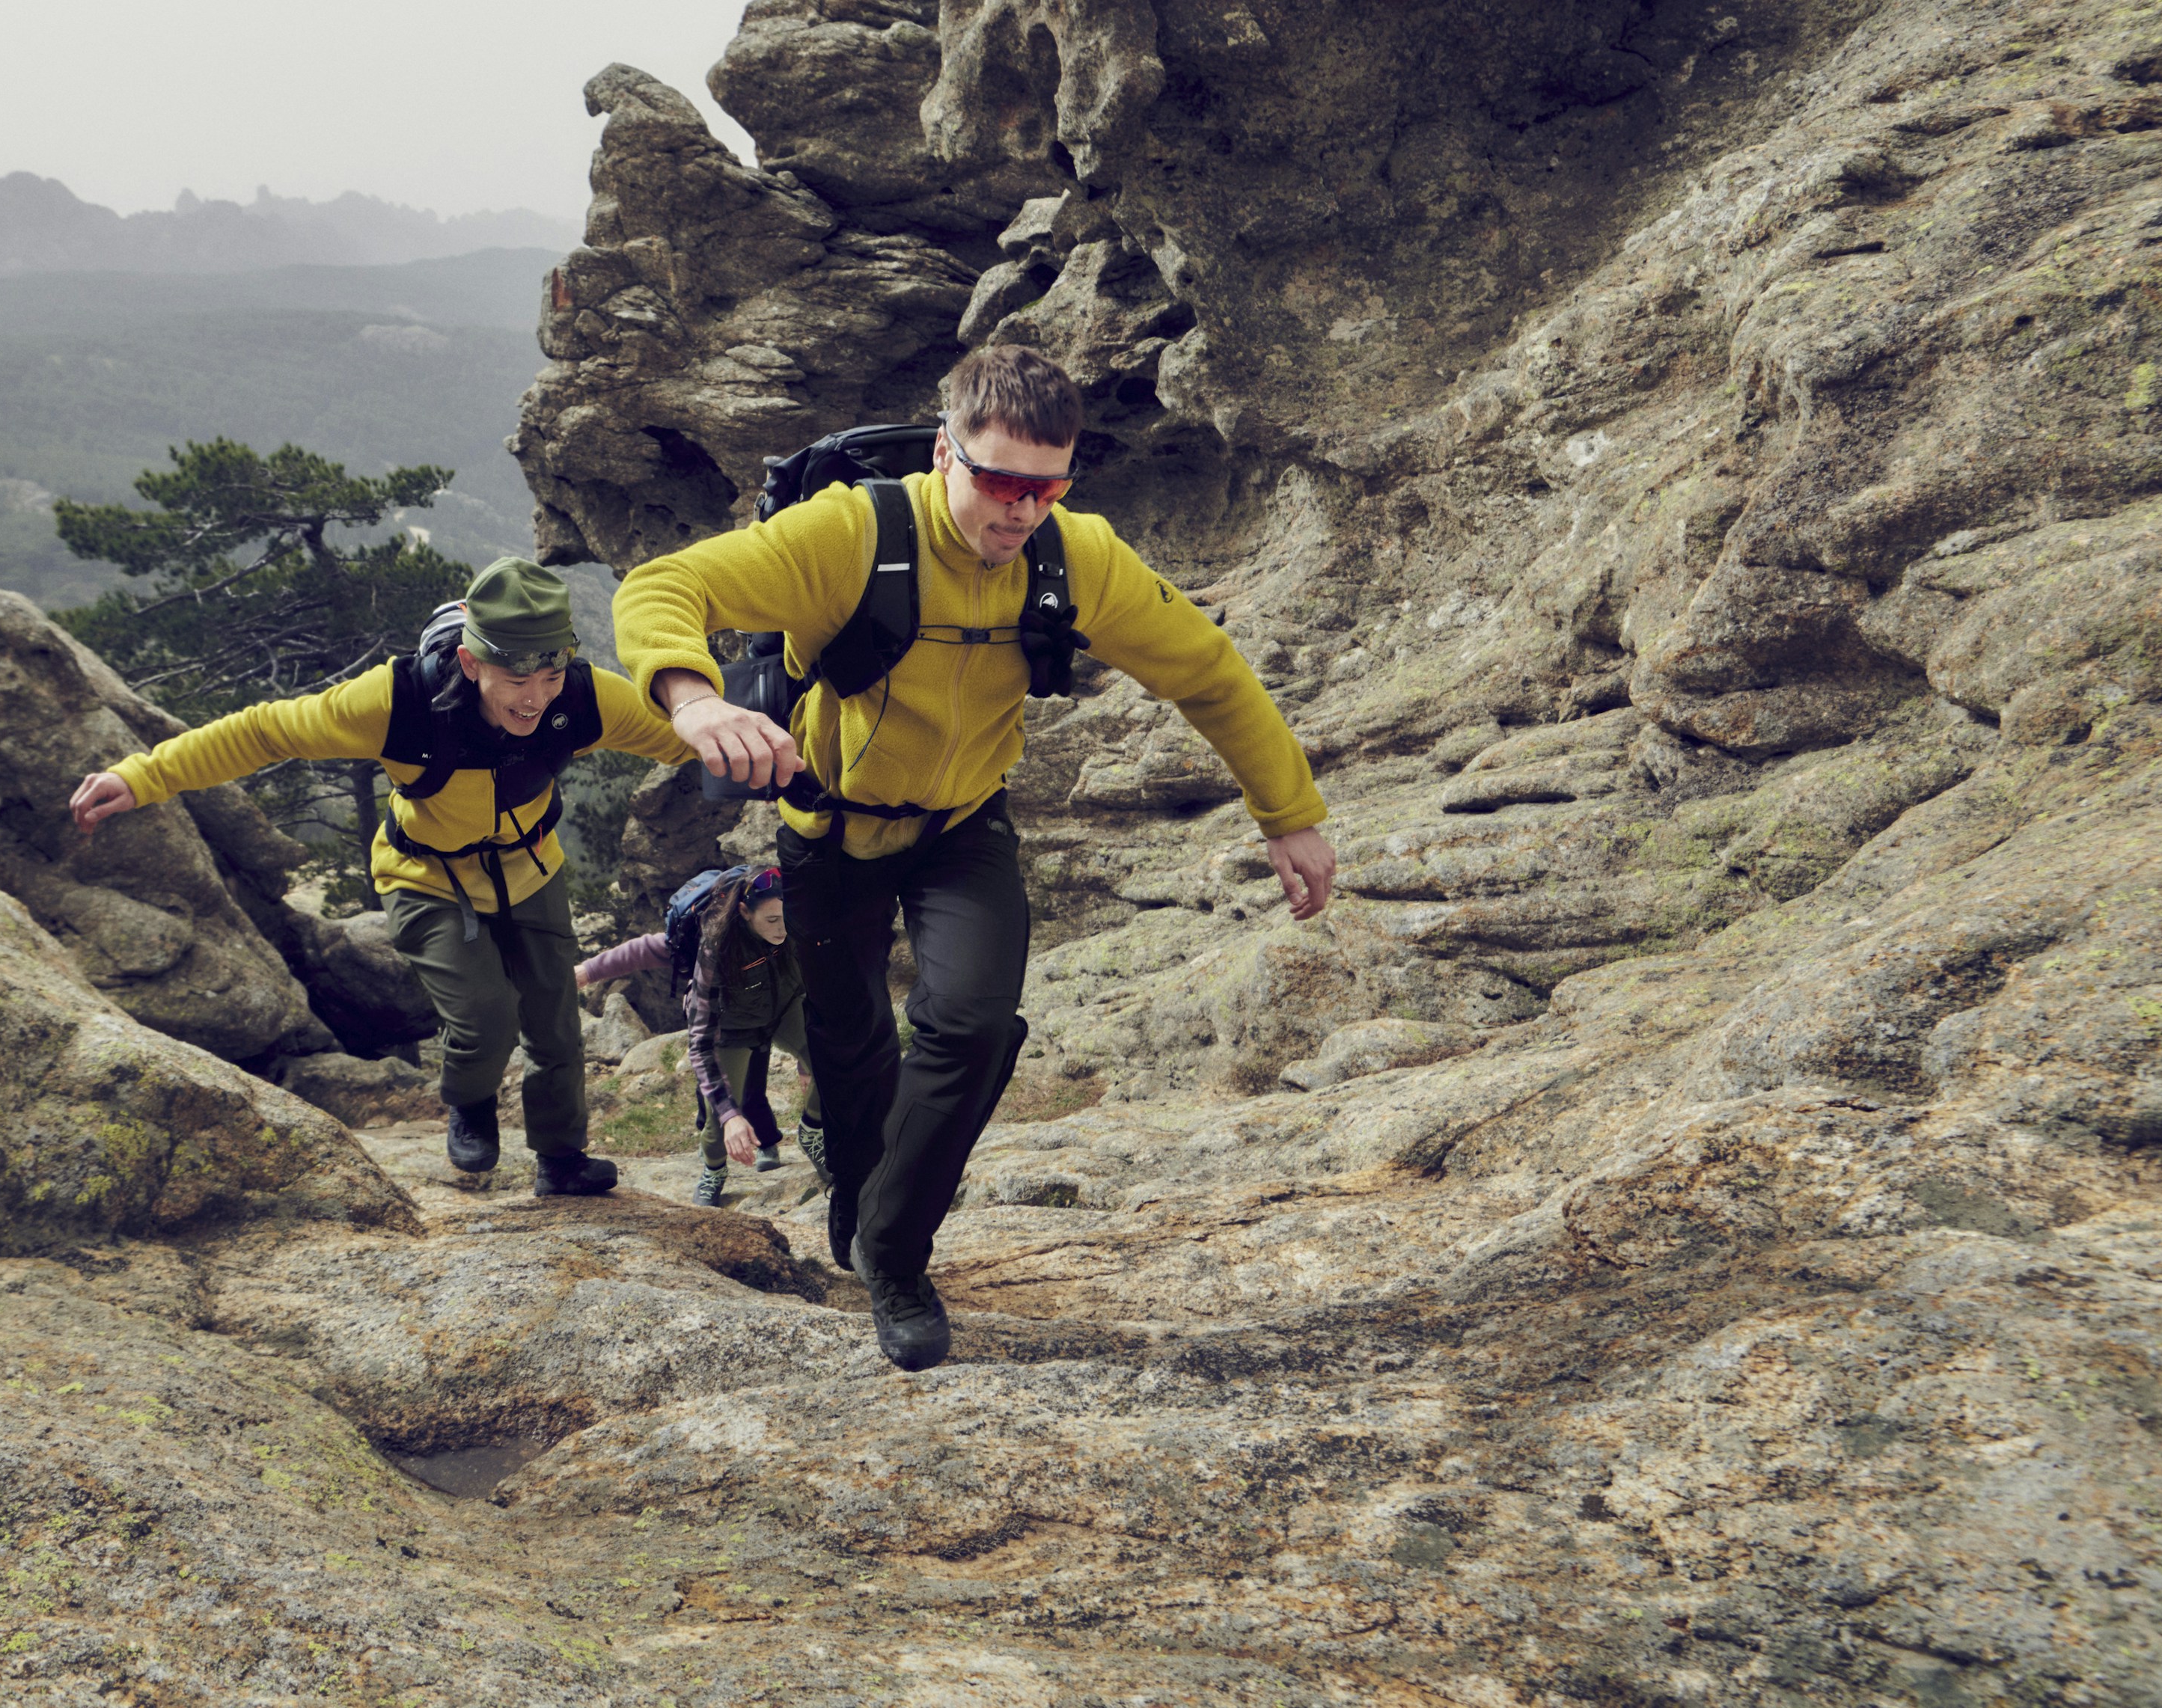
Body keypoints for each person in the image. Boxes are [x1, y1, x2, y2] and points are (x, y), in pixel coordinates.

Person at [614, 343, 1336, 1370]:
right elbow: (663, 586)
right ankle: (862, 1190)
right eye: (998, 479)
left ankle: (894, 1257)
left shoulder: (1075, 556)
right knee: (853, 1044)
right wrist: (694, 698)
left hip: (962, 827)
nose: (1020, 509)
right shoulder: (850, 534)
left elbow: (1208, 671)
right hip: (828, 829)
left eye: (1047, 486)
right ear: (945, 449)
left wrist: (1287, 810)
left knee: (974, 1022)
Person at [68, 557, 694, 1198]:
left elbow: (686, 734)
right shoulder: (401, 704)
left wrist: (773, 744)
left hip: (529, 868)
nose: (536, 695)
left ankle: (560, 1158)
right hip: (425, 874)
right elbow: (265, 732)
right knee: (484, 1015)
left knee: (555, 1016)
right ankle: (471, 1102)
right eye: (517, 676)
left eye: (552, 671)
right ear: (473, 663)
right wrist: (143, 776)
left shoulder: (583, 699)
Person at [575, 865, 822, 1207]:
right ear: (744, 912)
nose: (782, 929)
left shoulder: (796, 920)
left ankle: (813, 1133)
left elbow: (811, 978)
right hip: (730, 1030)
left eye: (786, 918)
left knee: (831, 1055)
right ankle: (714, 1170)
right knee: (720, 1120)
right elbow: (701, 1042)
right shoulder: (715, 948)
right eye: (771, 921)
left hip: (783, 1009)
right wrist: (731, 1116)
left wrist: (806, 1061)